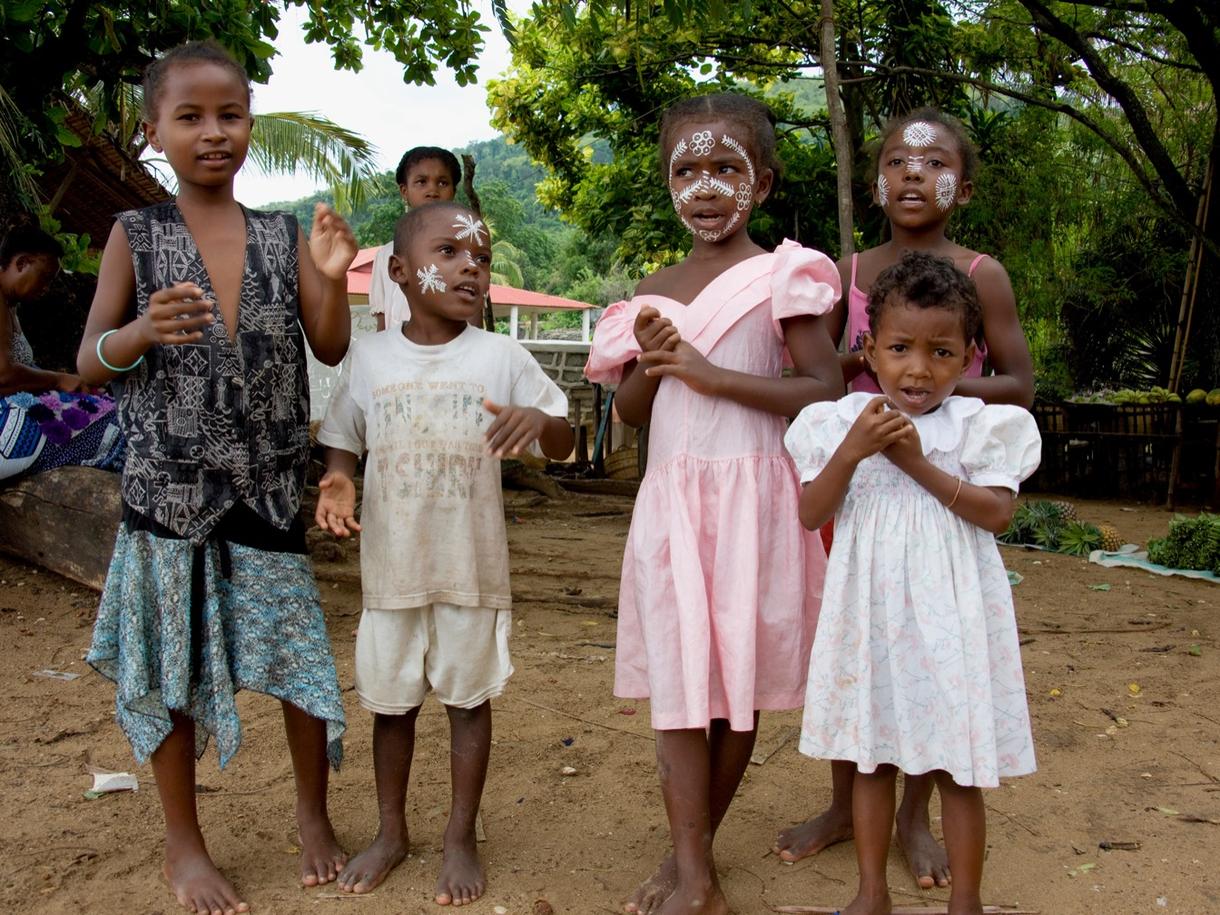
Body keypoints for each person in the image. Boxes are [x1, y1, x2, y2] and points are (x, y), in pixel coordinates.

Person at [77, 40, 357, 915]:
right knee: (172, 669)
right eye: (190, 116)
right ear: (154, 129)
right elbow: (89, 360)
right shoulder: (136, 235)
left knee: (300, 662)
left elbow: (330, 345)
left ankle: (312, 814)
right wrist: (140, 334)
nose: (212, 132)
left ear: (250, 124)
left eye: (229, 114)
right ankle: (184, 843)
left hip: (269, 485)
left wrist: (335, 277)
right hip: (171, 491)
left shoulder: (279, 233)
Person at [584, 92, 844, 915]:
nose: (705, 184)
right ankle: (694, 871)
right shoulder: (650, 291)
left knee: (737, 691)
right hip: (674, 511)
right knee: (679, 691)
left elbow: (822, 388)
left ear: (761, 184)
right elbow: (628, 414)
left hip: (754, 507)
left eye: (726, 167)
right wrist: (653, 364)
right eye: (686, 167)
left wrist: (704, 371)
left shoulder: (786, 275)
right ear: (667, 181)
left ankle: (689, 858)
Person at [775, 107, 1035, 888]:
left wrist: (934, 392)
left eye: (932, 163)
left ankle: (914, 820)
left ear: (964, 183)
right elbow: (824, 377)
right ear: (876, 177)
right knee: (867, 661)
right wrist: (868, 379)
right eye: (896, 161)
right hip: (865, 490)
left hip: (931, 485)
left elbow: (1018, 381)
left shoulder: (982, 272)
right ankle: (847, 812)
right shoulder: (848, 270)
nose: (913, 174)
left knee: (932, 660)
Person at [315, 200, 572, 906]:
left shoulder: (501, 355)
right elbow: (344, 435)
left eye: (481, 258)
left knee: (467, 703)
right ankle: (391, 830)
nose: (471, 267)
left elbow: (566, 437)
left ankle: (461, 833)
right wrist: (338, 475)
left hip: (470, 569)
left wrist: (543, 424)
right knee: (391, 708)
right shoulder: (370, 357)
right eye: (451, 252)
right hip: (392, 572)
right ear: (400, 271)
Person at [0, 226, 123, 480]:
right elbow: (3, 375)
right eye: (44, 277)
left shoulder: (10, 306)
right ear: (22, 263)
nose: (46, 287)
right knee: (107, 421)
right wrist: (58, 380)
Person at [369, 146, 461, 332]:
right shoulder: (386, 255)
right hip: (395, 358)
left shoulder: (464, 252)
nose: (432, 191)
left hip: (452, 358)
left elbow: (472, 317)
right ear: (404, 191)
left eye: (443, 183)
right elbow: (382, 325)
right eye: (421, 182)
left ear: (453, 191)